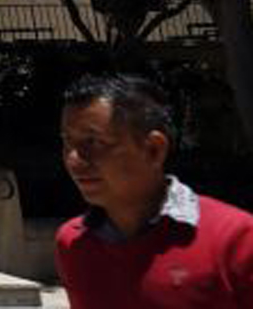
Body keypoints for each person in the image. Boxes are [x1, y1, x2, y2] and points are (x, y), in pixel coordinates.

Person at [55, 73, 253, 307]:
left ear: (153, 150)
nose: (74, 160)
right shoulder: (73, 244)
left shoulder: (237, 239)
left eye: (94, 142)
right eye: (68, 143)